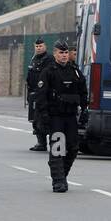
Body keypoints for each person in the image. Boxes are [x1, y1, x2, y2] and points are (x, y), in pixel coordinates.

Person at [34, 39, 88, 193]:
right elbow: (41, 95)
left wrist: (85, 110)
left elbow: (83, 92)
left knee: (72, 148)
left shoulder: (75, 71)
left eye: (66, 53)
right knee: (58, 149)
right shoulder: (49, 71)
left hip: (70, 116)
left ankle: (62, 175)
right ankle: (58, 182)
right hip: (55, 116)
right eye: (61, 53)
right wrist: (43, 116)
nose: (64, 55)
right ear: (55, 53)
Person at [25, 38, 51, 151]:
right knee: (35, 119)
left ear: (45, 46)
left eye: (40, 46)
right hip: (34, 92)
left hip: (44, 93)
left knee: (43, 118)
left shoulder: (49, 59)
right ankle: (41, 142)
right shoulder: (34, 59)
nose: (38, 48)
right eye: (37, 46)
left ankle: (45, 143)